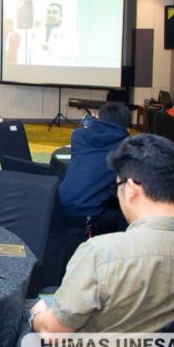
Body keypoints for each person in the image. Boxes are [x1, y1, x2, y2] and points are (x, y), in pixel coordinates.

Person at [11, 134, 174, 347]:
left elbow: (52, 332)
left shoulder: (101, 254)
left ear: (131, 189)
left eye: (117, 186)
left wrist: (36, 315)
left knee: (19, 314)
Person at [58, 103, 131, 261]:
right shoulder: (125, 147)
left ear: (100, 117)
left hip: (60, 205)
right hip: (89, 215)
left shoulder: (78, 136)